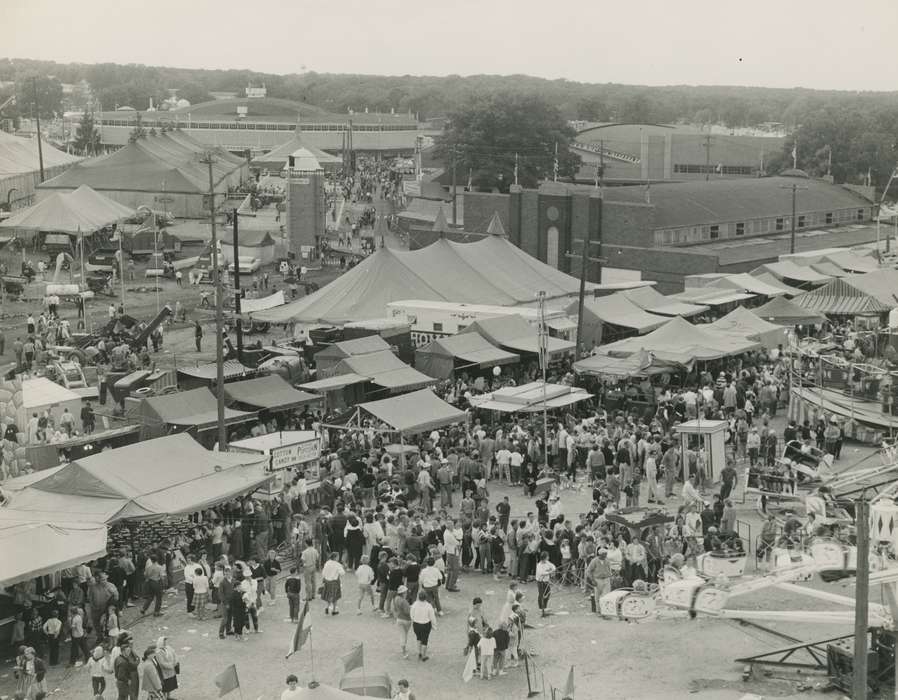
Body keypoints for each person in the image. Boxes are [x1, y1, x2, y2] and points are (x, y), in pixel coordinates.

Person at [409, 591, 436, 661]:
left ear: (418, 597)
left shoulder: (415, 604)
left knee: (418, 637)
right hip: (426, 624)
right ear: (426, 597)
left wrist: (413, 619)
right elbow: (432, 617)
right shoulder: (429, 606)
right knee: (425, 640)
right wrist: (434, 625)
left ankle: (419, 652)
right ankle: (424, 655)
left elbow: (411, 614)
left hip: (416, 624)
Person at [393, 585, 412, 658]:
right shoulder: (404, 601)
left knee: (402, 635)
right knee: (404, 635)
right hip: (406, 620)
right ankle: (404, 651)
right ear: (403, 593)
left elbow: (394, 609)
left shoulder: (396, 598)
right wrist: (411, 608)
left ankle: (403, 649)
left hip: (399, 619)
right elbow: (407, 612)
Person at [535, 551, 556, 617]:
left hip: (546, 581)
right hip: (540, 581)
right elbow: (541, 573)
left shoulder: (547, 562)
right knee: (541, 594)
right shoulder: (539, 565)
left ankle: (545, 607)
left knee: (548, 593)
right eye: (547, 556)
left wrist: (551, 570)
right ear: (544, 557)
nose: (548, 557)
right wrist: (549, 572)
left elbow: (553, 567)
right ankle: (541, 608)